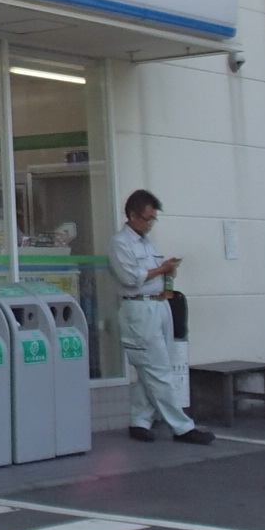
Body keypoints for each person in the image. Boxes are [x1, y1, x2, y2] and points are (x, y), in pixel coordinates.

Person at [110, 188, 212, 444]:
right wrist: (160, 269)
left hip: (159, 304)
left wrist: (167, 273)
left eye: (154, 218)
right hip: (139, 308)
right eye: (148, 218)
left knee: (154, 367)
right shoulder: (120, 243)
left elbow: (153, 273)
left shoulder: (148, 242)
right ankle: (182, 427)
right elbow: (130, 278)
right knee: (157, 370)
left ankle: (140, 420)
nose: (151, 223)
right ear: (132, 215)